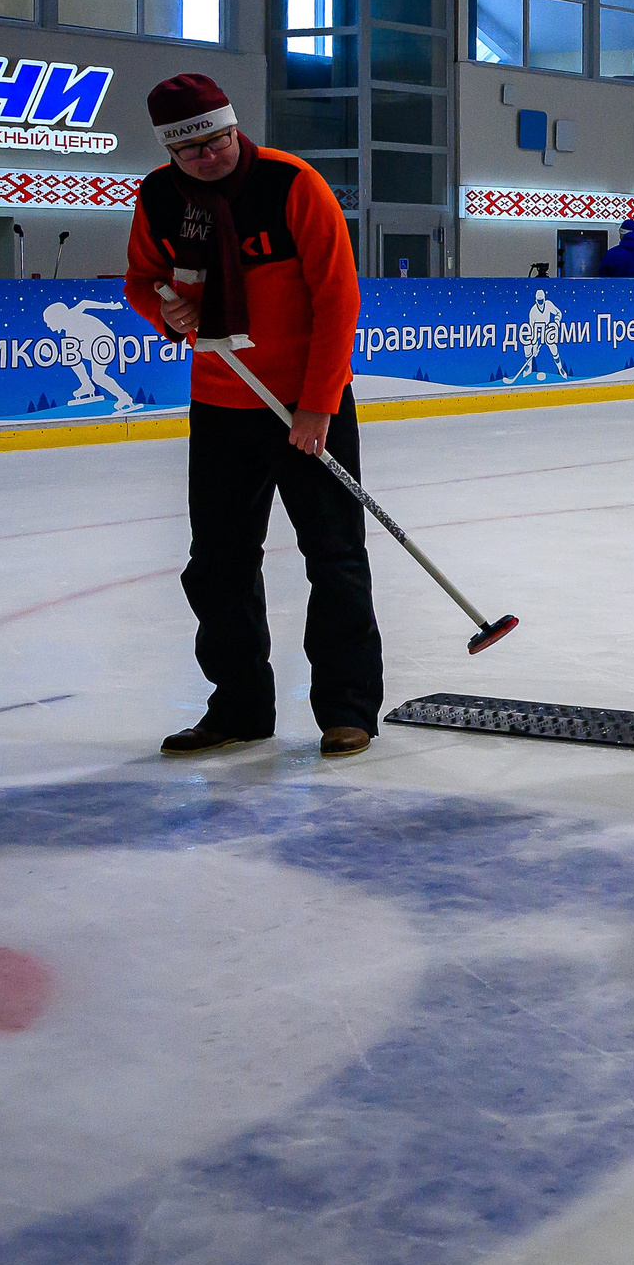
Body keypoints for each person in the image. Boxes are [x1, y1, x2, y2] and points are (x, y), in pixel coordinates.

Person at [121, 73, 382, 761]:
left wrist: (319, 402)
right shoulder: (158, 198)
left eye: (219, 139)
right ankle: (238, 706)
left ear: (235, 127)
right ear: (172, 154)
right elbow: (140, 280)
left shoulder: (293, 184)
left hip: (307, 405)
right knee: (217, 565)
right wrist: (165, 309)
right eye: (192, 150)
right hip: (221, 404)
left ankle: (348, 707)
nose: (211, 156)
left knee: (334, 558)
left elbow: (337, 298)